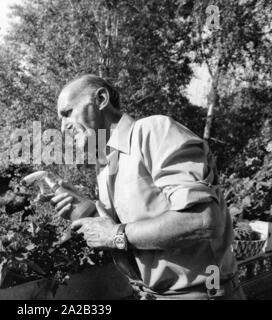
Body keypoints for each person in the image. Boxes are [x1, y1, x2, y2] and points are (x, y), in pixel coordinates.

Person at [51, 74, 245, 300]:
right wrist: (84, 209)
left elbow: (202, 221)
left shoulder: (154, 131)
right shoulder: (105, 165)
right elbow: (123, 233)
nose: (63, 128)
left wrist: (115, 234)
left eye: (67, 113)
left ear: (101, 99)